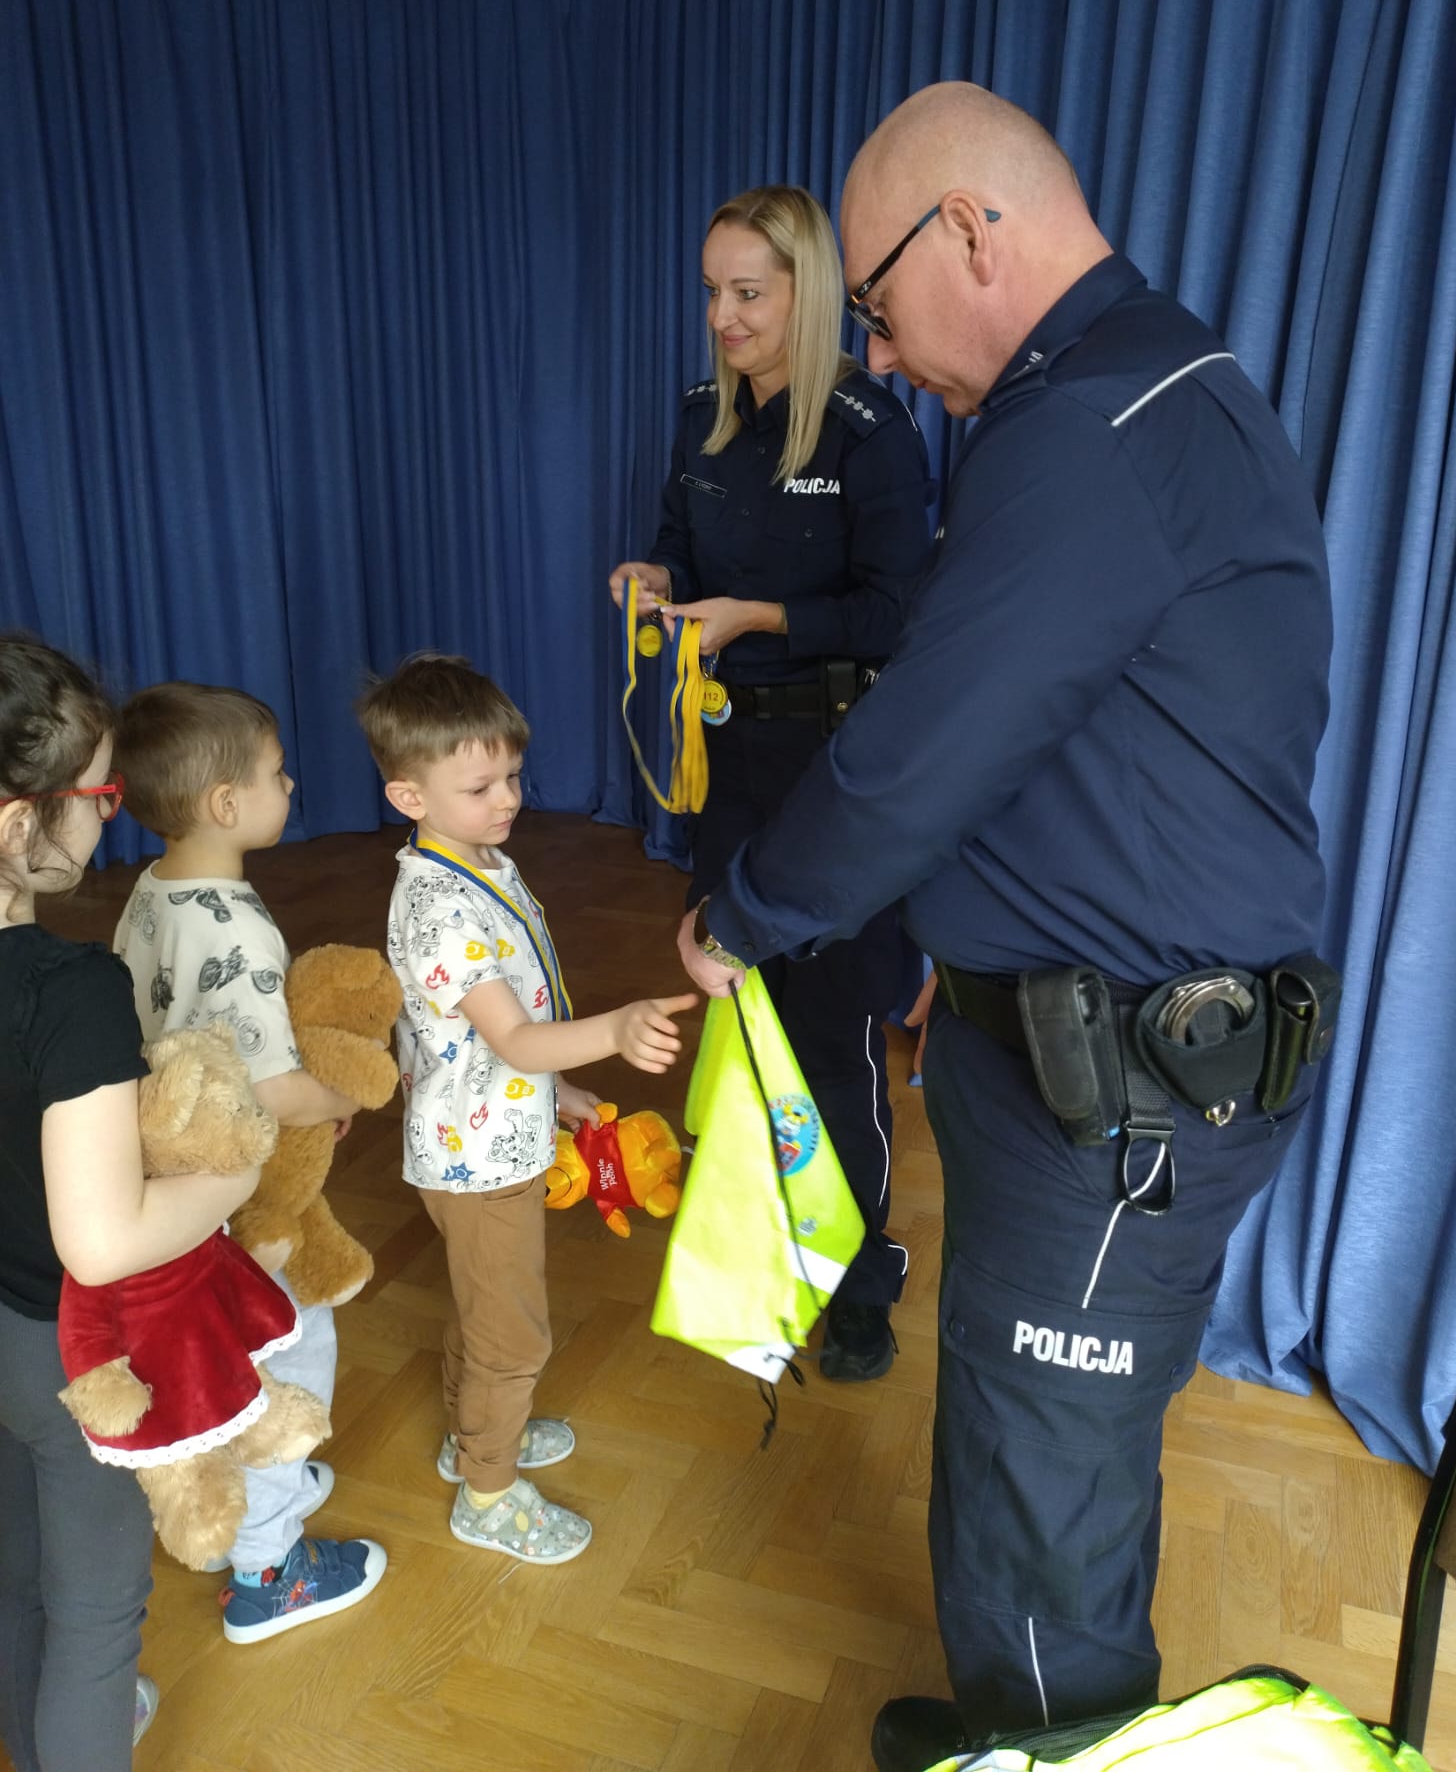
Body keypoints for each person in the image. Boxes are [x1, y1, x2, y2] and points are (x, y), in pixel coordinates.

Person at [675, 86, 1334, 1767]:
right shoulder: (1133, 390)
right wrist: (959, 961)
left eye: (880, 309)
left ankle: (1042, 1729)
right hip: (1082, 1053)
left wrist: (743, 915)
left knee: (1045, 1477)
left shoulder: (1093, 426)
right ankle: (1012, 1714)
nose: (881, 356)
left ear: (970, 231)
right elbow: (1056, 735)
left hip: (1122, 1085)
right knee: (1041, 1440)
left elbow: (922, 749)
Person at [609, 184, 933, 1383]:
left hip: (838, 770)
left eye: (747, 292)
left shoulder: (866, 432)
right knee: (743, 1011)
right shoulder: (703, 415)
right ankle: (760, 1243)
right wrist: (656, 576)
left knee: (833, 1032)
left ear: (809, 292)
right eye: (711, 290)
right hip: (729, 763)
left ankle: (859, 1283)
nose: (722, 317)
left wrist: (761, 616)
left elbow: (895, 615)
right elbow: (679, 545)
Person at [356, 652, 694, 1564]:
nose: (507, 798)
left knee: (486, 1310)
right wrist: (613, 1029)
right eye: (480, 787)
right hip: (477, 1158)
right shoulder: (440, 907)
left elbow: (499, 1034)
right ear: (409, 797)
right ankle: (489, 1493)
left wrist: (560, 1092)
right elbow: (512, 1038)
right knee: (513, 1336)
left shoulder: (478, 861)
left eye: (511, 775)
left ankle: (474, 1434)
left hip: (491, 1131)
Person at [0, 637, 259, 1770]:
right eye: (102, 797)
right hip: (57, 1351)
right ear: (22, 821)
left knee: (15, 1579)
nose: (113, 818)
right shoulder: (71, 990)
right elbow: (102, 1242)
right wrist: (234, 1173)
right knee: (97, 1618)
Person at [112, 681, 387, 1645]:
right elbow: (276, 1090)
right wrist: (343, 1099)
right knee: (287, 1353)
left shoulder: (151, 892)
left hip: (168, 1169)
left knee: (230, 1349)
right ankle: (269, 1570)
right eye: (277, 772)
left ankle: (258, 1497)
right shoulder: (237, 925)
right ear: (226, 803)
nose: (291, 784)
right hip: (240, 1197)